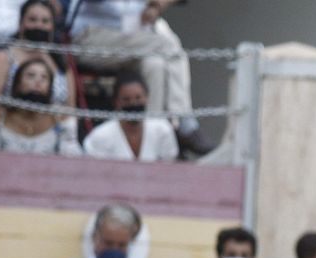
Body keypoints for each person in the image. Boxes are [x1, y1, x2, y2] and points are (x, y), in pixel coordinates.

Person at [66, 0, 211, 157]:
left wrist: (156, 5)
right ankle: (184, 121)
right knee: (167, 45)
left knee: (155, 64)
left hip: (129, 40)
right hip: (91, 37)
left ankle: (155, 133)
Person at [0, 54, 80, 154]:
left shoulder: (62, 120)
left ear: (50, 88)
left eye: (44, 77)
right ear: (18, 83)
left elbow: (72, 157)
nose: (38, 81)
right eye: (31, 75)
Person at [0, 0, 71, 108]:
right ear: (21, 23)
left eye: (45, 21)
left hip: (54, 123)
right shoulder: (3, 57)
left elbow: (71, 110)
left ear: (52, 27)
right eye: (32, 19)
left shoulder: (61, 62)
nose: (39, 25)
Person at [81, 73, 178, 161]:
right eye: (126, 99)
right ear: (116, 102)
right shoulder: (99, 136)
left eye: (138, 98)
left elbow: (169, 168)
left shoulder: (163, 130)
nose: (133, 104)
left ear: (147, 97)